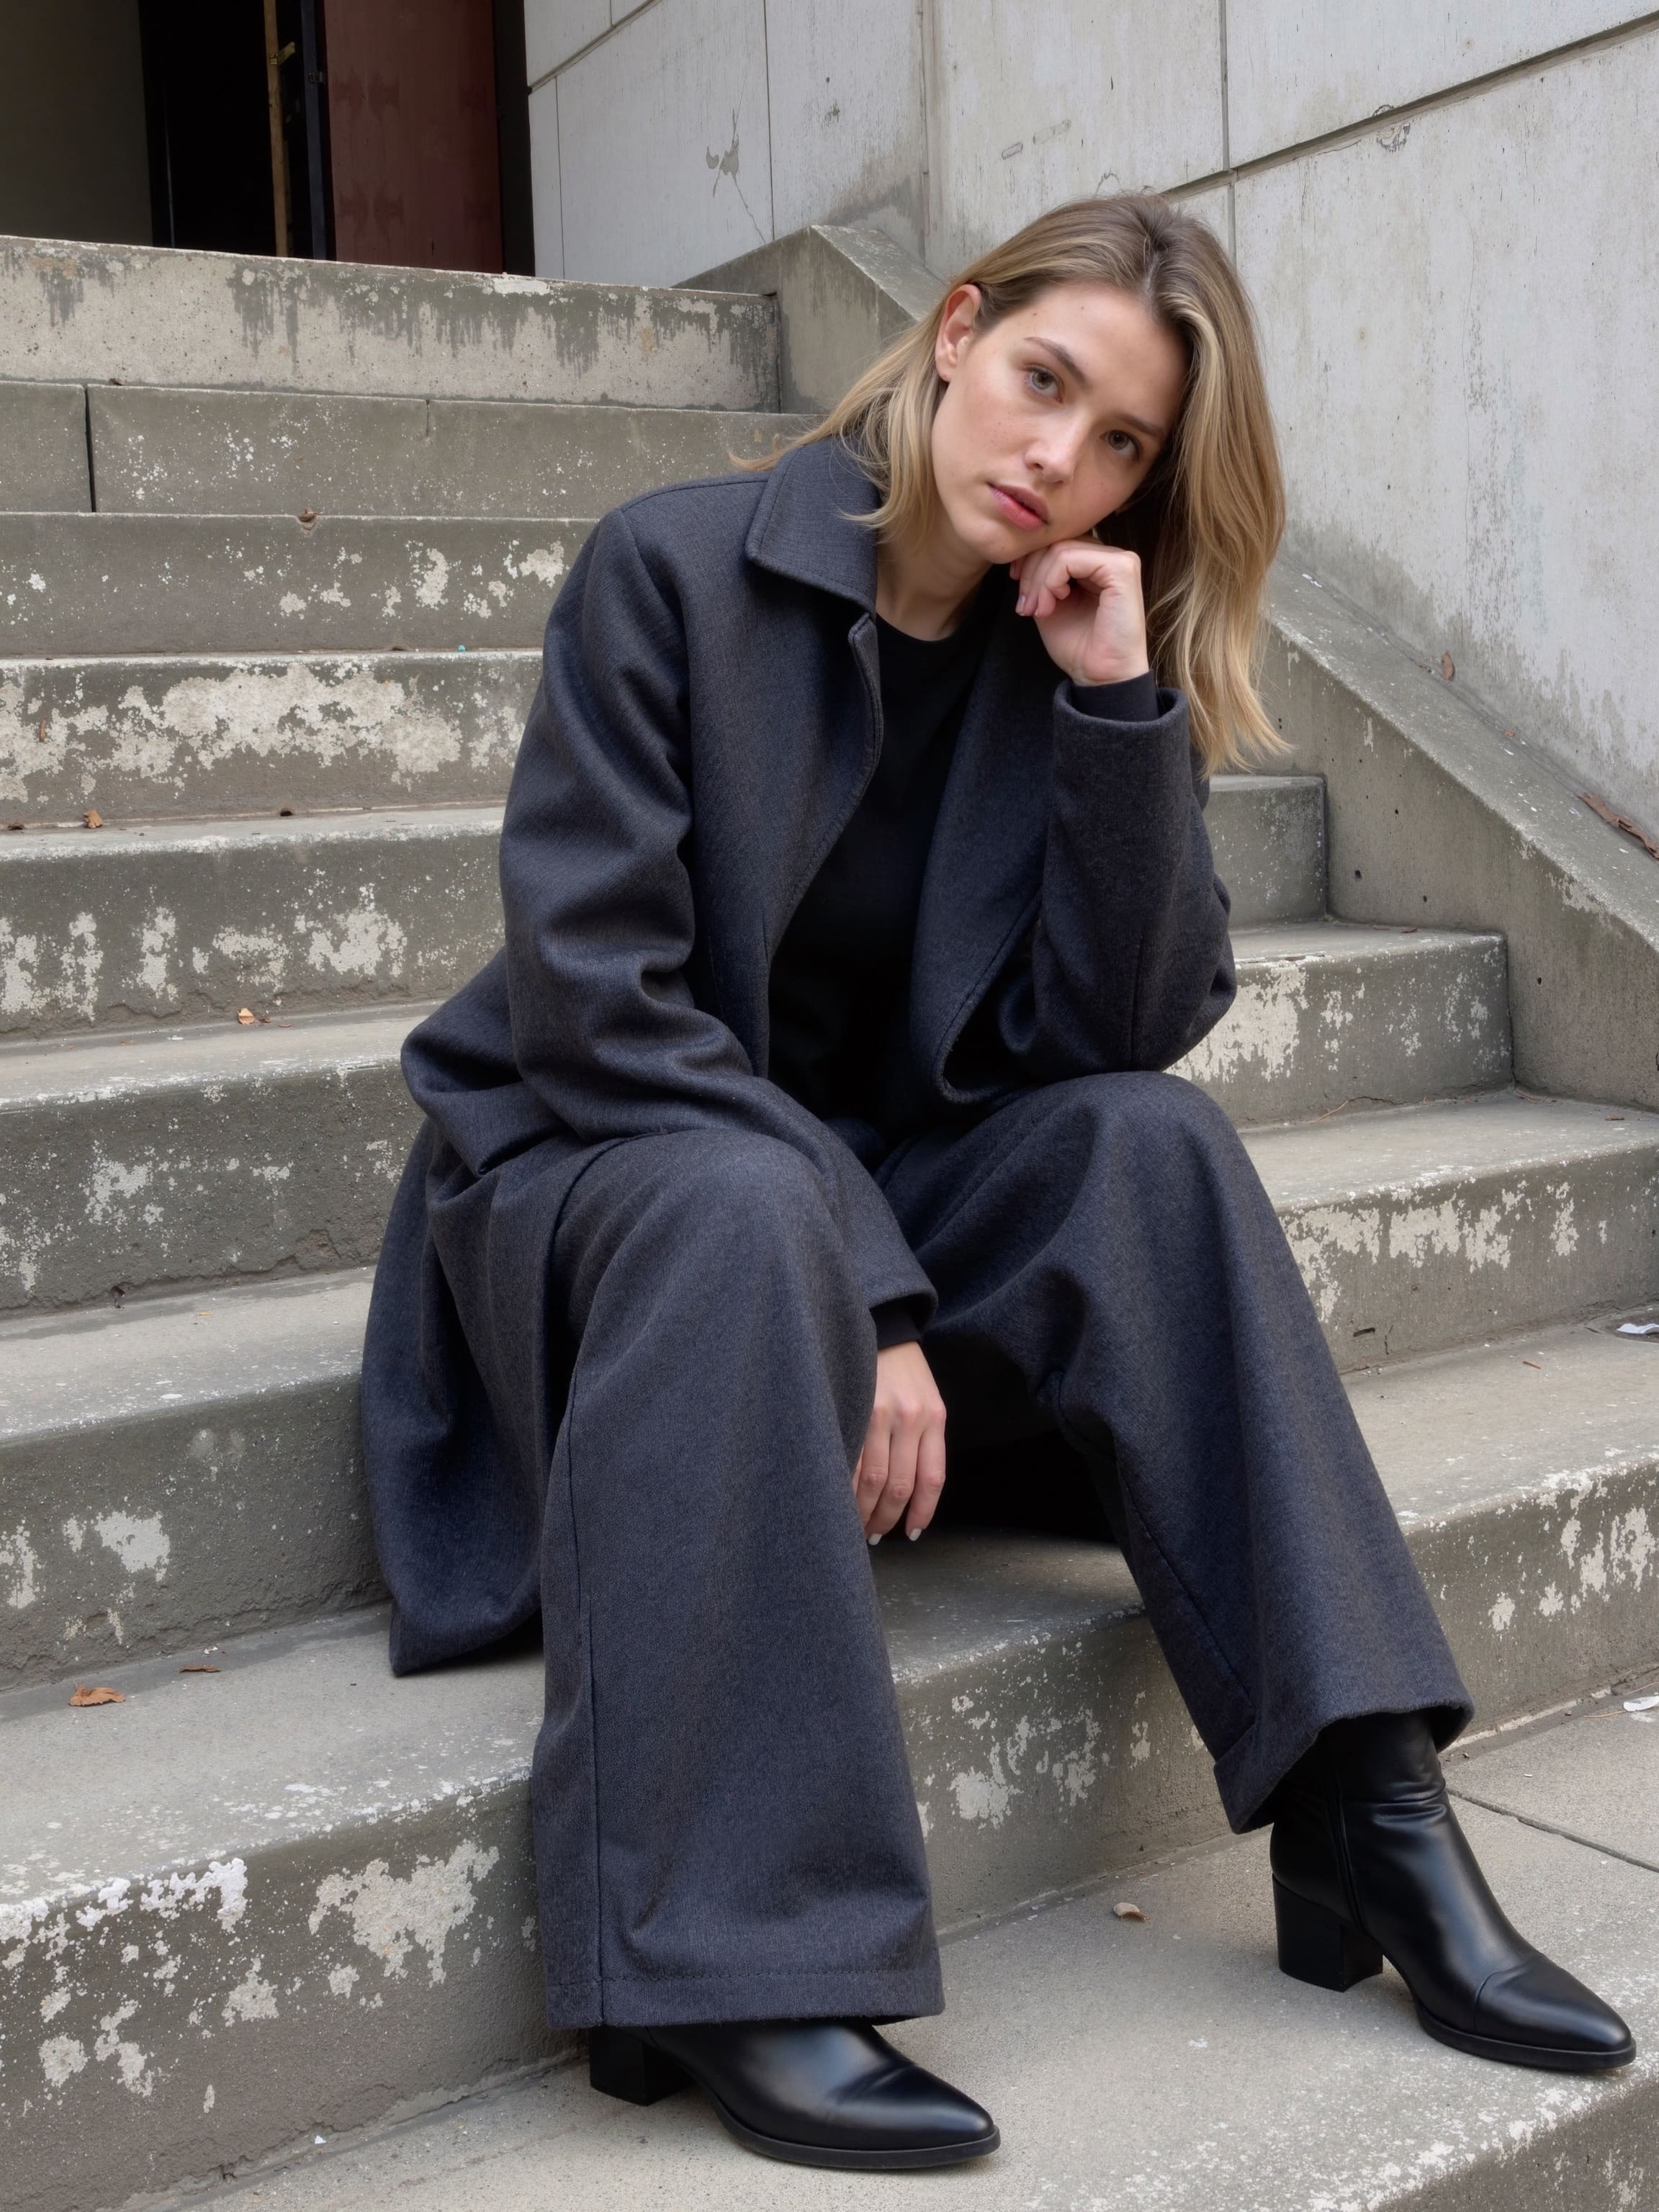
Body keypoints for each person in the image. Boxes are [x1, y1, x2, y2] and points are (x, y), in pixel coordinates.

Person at [361, 194, 1633, 2172]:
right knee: (741, 1206)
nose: (1065, 457)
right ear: (955, 335)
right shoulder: (672, 572)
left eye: (1124, 440)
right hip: (620, 1207)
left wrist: (1122, 710)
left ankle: (1371, 1817)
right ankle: (730, 1962)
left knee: (1154, 1149)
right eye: (1049, 384)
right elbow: (599, 1009)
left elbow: (1115, 1039)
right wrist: (869, 1289)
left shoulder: (1061, 651)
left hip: (852, 1219)